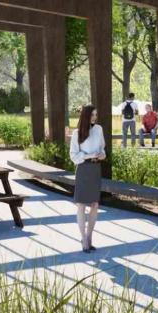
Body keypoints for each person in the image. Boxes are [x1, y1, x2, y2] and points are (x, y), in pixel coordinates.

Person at [69, 104, 106, 253]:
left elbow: (102, 147)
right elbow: (73, 156)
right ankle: (83, 238)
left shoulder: (99, 129)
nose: (95, 118)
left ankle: (89, 237)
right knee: (81, 205)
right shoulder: (77, 133)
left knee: (95, 205)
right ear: (85, 116)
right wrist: (89, 155)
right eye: (92, 115)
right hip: (83, 169)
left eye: (96, 115)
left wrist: (103, 154)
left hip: (96, 169)